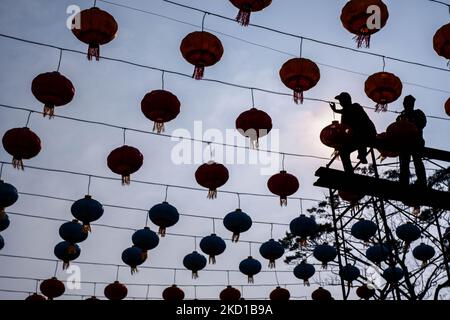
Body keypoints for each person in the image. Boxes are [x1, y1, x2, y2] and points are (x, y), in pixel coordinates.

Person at [329, 92, 377, 173]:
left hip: (367, 133)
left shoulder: (355, 106)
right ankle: (349, 171)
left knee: (360, 133)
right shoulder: (344, 115)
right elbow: (344, 130)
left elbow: (349, 111)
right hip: (355, 137)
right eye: (340, 101)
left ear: (347, 100)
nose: (340, 103)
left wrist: (335, 110)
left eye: (341, 100)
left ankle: (362, 154)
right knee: (343, 151)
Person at [396, 95, 427, 188]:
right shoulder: (401, 116)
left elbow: (422, 123)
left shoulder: (418, 113)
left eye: (410, 103)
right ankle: (404, 183)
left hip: (416, 142)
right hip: (404, 144)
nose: (408, 105)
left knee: (417, 162)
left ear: (413, 104)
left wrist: (411, 124)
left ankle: (422, 183)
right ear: (404, 104)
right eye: (406, 103)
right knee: (404, 163)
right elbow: (396, 129)